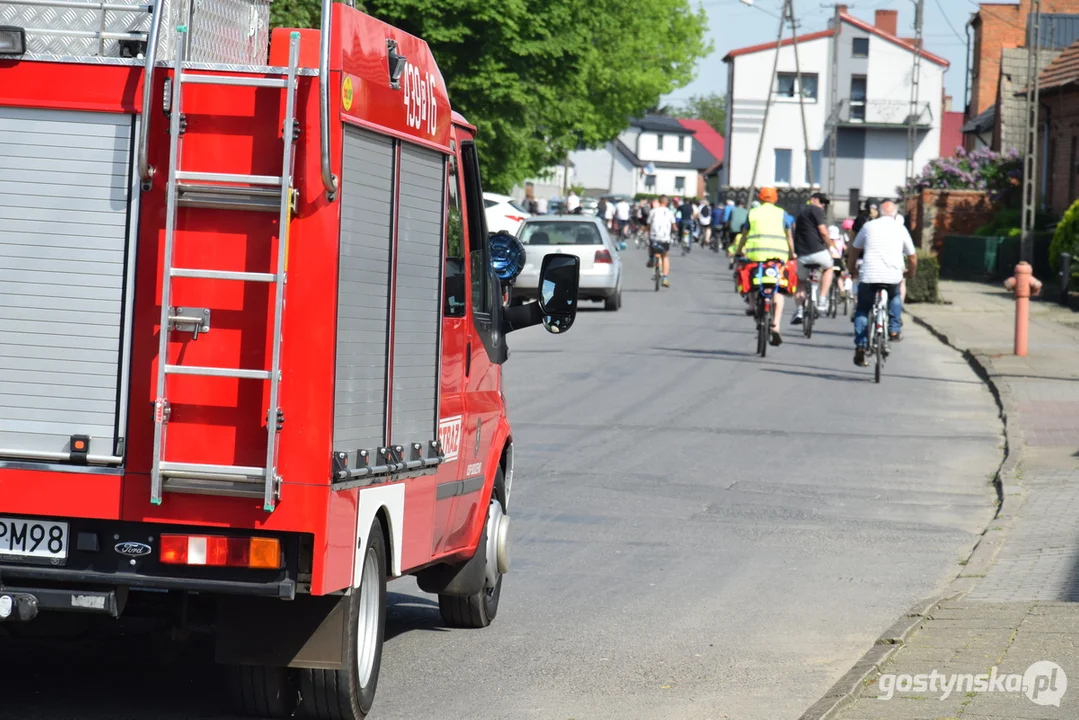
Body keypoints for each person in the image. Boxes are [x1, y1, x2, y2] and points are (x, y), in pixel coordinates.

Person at [847, 200, 917, 367]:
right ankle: (894, 329)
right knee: (894, 295)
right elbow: (912, 256)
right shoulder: (901, 229)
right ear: (895, 214)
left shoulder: (868, 226)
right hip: (892, 276)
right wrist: (911, 272)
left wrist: (851, 268)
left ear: (879, 212)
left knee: (863, 309)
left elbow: (854, 249)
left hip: (869, 275)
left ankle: (861, 344)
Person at [734, 187, 795, 346]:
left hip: (756, 256)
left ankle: (753, 305)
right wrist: (791, 254)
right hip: (777, 257)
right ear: (775, 199)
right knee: (778, 290)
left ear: (760, 198)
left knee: (753, 279)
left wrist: (740, 251)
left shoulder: (753, 213)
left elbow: (745, 235)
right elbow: (789, 237)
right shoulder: (782, 214)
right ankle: (776, 326)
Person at [790, 192, 836, 324]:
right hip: (818, 252)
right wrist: (831, 246)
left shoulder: (799, 213)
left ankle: (799, 310)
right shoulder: (816, 210)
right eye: (821, 201)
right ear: (813, 200)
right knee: (828, 268)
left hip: (802, 255)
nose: (823, 205)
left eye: (825, 203)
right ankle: (822, 299)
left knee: (801, 282)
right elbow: (823, 231)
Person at [647, 194, 677, 288]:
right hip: (665, 238)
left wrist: (647, 230)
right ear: (667, 202)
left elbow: (649, 223)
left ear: (659, 202)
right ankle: (665, 278)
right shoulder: (669, 212)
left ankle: (652, 259)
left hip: (654, 237)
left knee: (651, 246)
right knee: (665, 256)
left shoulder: (653, 211)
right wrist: (675, 230)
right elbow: (674, 225)